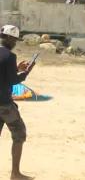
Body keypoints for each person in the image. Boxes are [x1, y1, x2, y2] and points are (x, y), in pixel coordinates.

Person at [0, 25, 35, 180]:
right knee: (19, 134)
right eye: (14, 39)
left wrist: (15, 68)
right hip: (4, 105)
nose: (15, 42)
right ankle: (15, 174)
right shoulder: (10, 56)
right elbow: (14, 81)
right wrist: (26, 72)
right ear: (8, 38)